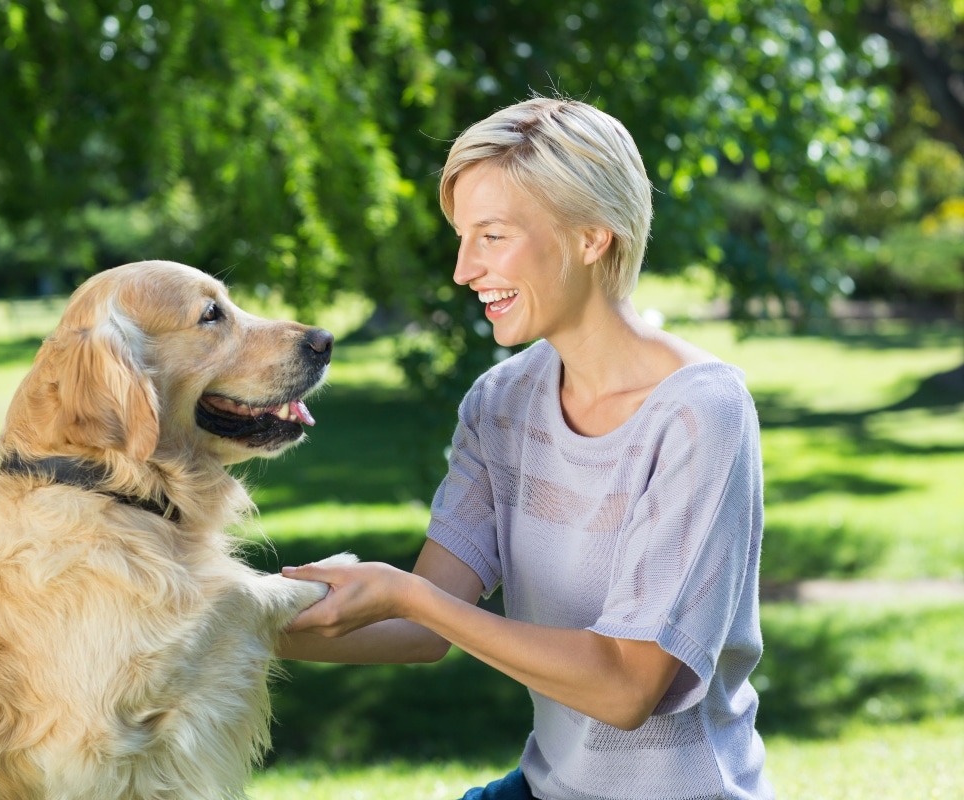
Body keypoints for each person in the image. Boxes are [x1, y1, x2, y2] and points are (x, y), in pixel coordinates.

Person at [280, 96, 773, 800]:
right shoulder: (501, 402)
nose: (462, 269)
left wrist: (410, 597)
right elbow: (420, 629)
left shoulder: (701, 414)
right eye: (462, 237)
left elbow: (627, 685)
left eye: (493, 236)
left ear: (591, 236)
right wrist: (224, 620)